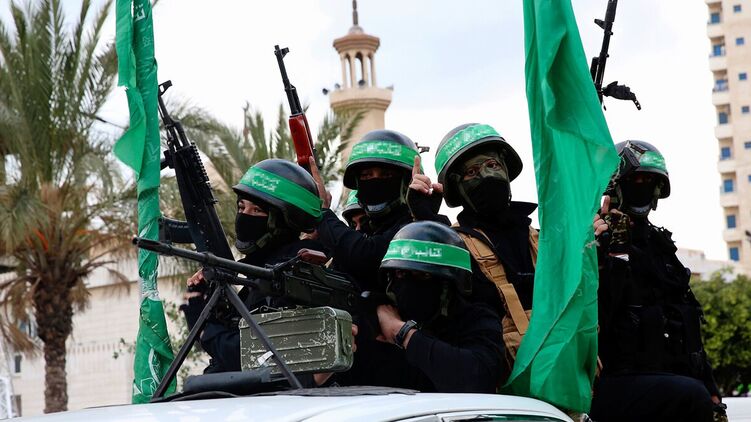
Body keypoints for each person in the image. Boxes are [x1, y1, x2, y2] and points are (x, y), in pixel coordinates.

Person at [591, 140, 725, 422]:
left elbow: (686, 319)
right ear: (615, 186)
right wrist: (613, 253)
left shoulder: (661, 247)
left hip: (670, 384)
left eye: (650, 182)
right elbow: (596, 315)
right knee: (690, 396)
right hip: (617, 380)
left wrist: (711, 389)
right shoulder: (594, 239)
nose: (643, 187)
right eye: (635, 180)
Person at [408, 123, 537, 376]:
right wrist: (427, 222)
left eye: (492, 165)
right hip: (501, 385)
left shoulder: (542, 239)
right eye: (471, 172)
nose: (486, 176)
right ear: (456, 187)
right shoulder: (457, 245)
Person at [184, 158, 324, 373]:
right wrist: (202, 300)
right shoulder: (260, 274)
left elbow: (248, 354)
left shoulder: (293, 277)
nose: (245, 217)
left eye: (257, 210)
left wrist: (205, 329)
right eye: (242, 207)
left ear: (284, 221)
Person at [335, 221, 503, 393]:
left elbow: (479, 379)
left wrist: (402, 333)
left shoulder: (478, 320)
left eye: (422, 275)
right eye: (400, 273)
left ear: (451, 283)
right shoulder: (374, 324)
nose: (407, 284)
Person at [312, 129, 418, 293]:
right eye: (366, 175)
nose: (375, 182)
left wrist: (324, 213)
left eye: (386, 175)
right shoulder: (372, 231)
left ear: (406, 182)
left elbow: (365, 256)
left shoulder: (415, 224)